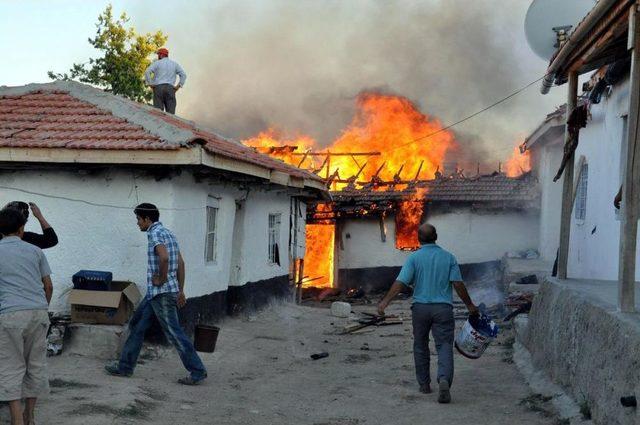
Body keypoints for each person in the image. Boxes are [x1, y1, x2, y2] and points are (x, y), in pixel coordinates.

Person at [105, 203, 207, 385]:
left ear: (147, 219)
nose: (137, 223)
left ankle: (197, 370)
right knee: (137, 325)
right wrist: (180, 290)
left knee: (174, 333)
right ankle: (125, 367)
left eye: (138, 219)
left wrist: (160, 278)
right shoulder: (169, 233)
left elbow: (165, 257)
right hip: (159, 293)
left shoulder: (154, 234)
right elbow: (181, 264)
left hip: (161, 293)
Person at [378, 223, 478, 404]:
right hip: (443, 309)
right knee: (444, 345)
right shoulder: (449, 258)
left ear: (418, 238)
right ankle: (444, 379)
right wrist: (470, 305)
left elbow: (401, 282)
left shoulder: (413, 258)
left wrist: (385, 302)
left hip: (420, 309)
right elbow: (458, 284)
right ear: (436, 236)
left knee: (420, 345)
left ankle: (424, 384)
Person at [0, 208, 53, 425]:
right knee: (36, 364)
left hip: (10, 314)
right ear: (22, 229)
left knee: (10, 366)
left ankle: (16, 420)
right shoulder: (35, 251)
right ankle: (29, 416)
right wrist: (42, 309)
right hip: (38, 313)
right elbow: (48, 286)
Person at [144, 47, 187, 114]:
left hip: (158, 89)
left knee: (158, 113)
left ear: (161, 55)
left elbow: (147, 72)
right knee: (171, 114)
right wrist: (178, 86)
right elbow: (183, 75)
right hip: (170, 89)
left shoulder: (157, 63)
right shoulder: (174, 64)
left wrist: (151, 83)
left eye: (158, 54)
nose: (158, 56)